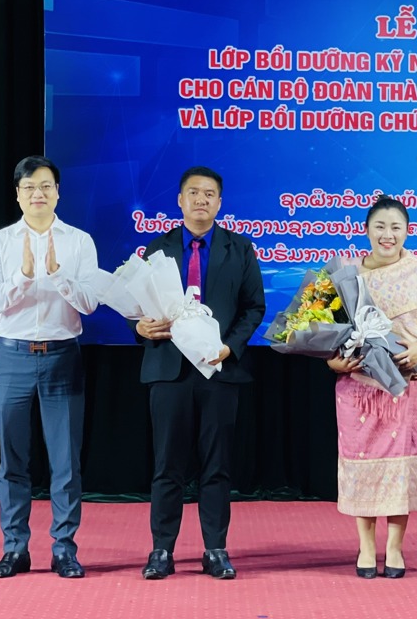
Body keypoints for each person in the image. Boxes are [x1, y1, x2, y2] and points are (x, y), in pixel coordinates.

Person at [134, 166, 265, 580]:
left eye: (210, 194)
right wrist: (138, 326)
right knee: (166, 465)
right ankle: (161, 550)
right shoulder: (157, 250)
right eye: (193, 193)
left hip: (218, 369)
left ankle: (215, 548)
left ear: (220, 202)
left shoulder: (239, 249)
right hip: (169, 370)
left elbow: (253, 308)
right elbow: (138, 307)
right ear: (179, 199)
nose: (201, 200)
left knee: (216, 465)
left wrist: (231, 346)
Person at [0, 155, 98, 579]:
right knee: (12, 460)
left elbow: (89, 303)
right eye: (29, 187)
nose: (38, 194)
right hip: (11, 356)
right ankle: (15, 549)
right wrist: (24, 277)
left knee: (65, 462)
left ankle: (64, 549)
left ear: (58, 192)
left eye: (46, 186)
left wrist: (58, 276)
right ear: (17, 194)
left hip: (62, 356)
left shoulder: (79, 241)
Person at [327, 195, 417, 579]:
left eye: (396, 227)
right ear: (366, 231)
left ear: (407, 232)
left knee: (400, 468)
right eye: (380, 227)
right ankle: (366, 548)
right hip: (357, 388)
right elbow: (325, 330)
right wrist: (333, 361)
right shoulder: (347, 276)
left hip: (407, 385)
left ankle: (395, 549)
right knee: (362, 465)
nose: (388, 235)